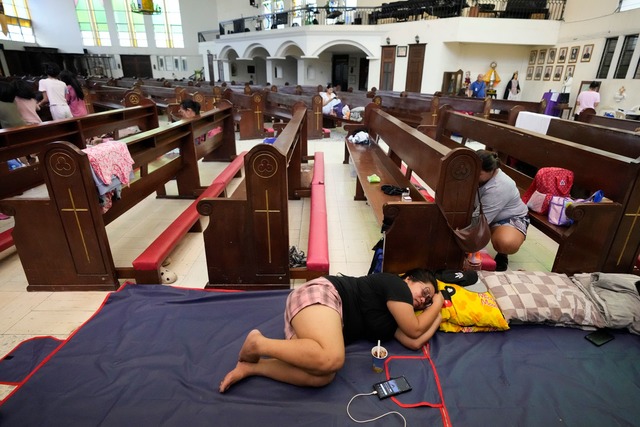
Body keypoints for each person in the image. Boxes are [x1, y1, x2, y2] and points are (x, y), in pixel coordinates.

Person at [219, 269, 443, 393]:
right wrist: (439, 302)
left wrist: (438, 317)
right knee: (333, 358)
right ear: (409, 279)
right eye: (424, 292)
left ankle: (253, 367)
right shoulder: (397, 286)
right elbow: (415, 329)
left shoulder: (394, 317)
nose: (422, 301)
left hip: (320, 321)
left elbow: (414, 342)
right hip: (323, 295)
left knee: (323, 376)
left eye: (426, 302)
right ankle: (259, 343)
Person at [469, 150, 529, 272]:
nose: (474, 176)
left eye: (478, 174)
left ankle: (503, 254)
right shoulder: (478, 174)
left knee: (505, 243)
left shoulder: (501, 185)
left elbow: (482, 221)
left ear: (492, 171)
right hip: (482, 212)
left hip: (508, 218)